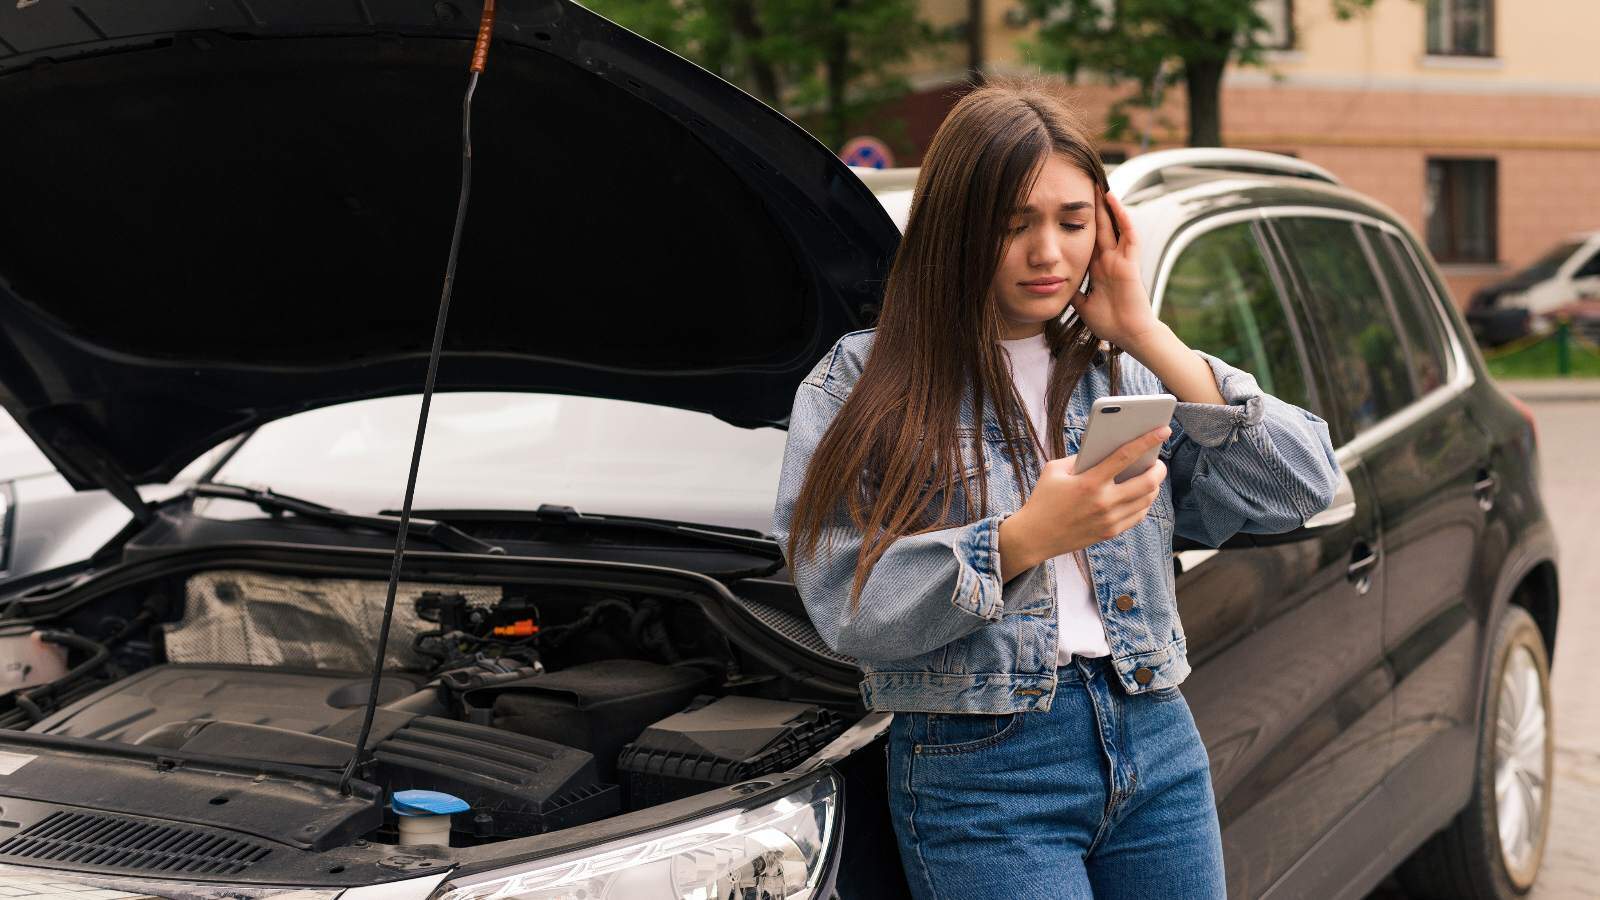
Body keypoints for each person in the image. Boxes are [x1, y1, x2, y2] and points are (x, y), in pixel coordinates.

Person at [769, 75, 1341, 900]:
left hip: (1155, 734)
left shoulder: (1123, 366)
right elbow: (843, 601)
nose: (1049, 253)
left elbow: (1302, 486)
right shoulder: (863, 381)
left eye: (1073, 223)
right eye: (1014, 226)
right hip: (983, 767)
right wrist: (1023, 539)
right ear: (956, 232)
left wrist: (1145, 328)